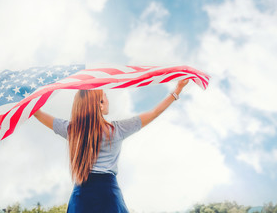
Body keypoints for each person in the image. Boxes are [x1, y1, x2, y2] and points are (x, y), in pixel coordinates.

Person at [33, 79, 189, 213]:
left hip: (81, 197)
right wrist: (177, 90)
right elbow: (155, 112)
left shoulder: (72, 130)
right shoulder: (117, 129)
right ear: (100, 105)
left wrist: (27, 99)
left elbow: (38, 113)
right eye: (105, 97)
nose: (107, 99)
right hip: (108, 194)